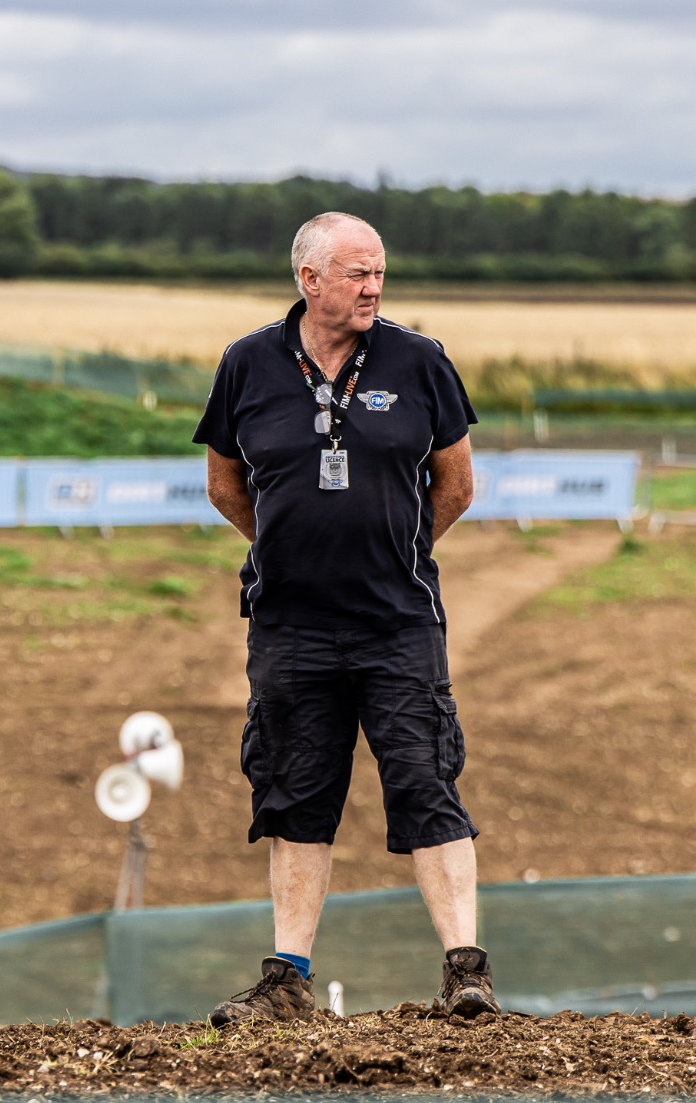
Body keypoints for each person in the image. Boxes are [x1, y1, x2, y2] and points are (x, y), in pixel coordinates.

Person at [193, 211, 494, 1024]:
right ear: (309, 279)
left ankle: (466, 974)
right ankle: (286, 980)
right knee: (294, 795)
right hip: (289, 627)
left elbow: (457, 485)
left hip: (398, 622)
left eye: (380, 273)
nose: (373, 288)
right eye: (358, 273)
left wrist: (394, 553)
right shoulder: (247, 363)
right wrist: (289, 551)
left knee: (426, 782)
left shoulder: (420, 360)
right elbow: (223, 483)